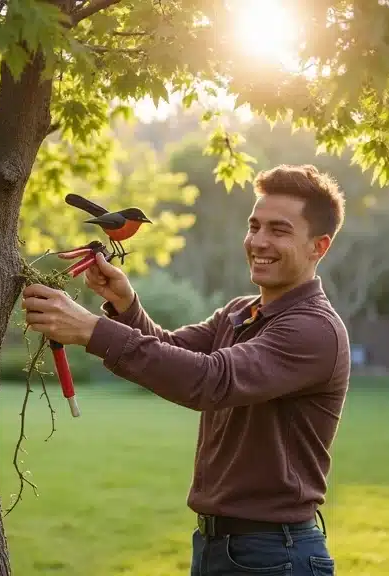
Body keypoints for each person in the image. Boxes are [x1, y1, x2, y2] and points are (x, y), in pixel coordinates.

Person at [21, 164, 351, 576]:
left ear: (318, 247)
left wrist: (91, 330)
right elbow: (172, 352)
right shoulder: (241, 312)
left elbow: (210, 381)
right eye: (254, 226)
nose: (258, 241)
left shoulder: (312, 329)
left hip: (274, 554)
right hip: (221, 546)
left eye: (279, 230)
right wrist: (126, 306)